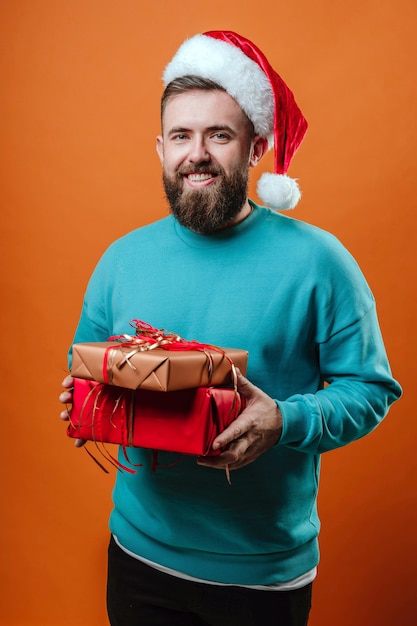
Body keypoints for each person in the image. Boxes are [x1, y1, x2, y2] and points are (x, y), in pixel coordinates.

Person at [59, 30, 401, 626]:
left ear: (254, 147)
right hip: (140, 560)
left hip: (263, 576)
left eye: (219, 135)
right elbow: (88, 360)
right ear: (159, 148)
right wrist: (89, 401)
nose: (197, 153)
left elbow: (371, 389)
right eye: (181, 135)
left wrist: (287, 420)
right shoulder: (121, 259)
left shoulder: (320, 261)